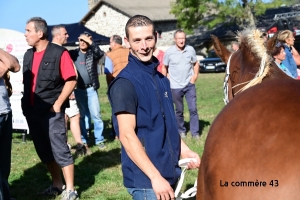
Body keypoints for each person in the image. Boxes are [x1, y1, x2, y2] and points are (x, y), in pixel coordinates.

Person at [108, 15, 200, 200]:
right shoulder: (125, 83)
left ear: (156, 37)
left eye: (148, 38)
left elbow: (166, 126)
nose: (144, 46)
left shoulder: (161, 79)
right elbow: (126, 135)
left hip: (169, 173)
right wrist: (155, 177)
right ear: (127, 42)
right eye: (137, 40)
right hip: (147, 183)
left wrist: (185, 150)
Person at [22, 17, 79, 199]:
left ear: (40, 33)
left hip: (52, 112)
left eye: (28, 31)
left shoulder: (59, 53)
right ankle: (57, 184)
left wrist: (57, 103)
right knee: (44, 150)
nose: (25, 34)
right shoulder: (28, 55)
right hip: (33, 111)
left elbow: (71, 79)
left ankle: (70, 189)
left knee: (59, 148)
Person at [51, 25, 88, 156]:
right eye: (65, 34)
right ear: (57, 35)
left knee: (72, 116)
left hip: (65, 90)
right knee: (65, 118)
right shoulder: (57, 51)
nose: (68, 36)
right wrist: (69, 90)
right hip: (64, 91)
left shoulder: (59, 50)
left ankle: (78, 145)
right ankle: (66, 146)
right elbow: (59, 74)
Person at [69, 32, 106, 149]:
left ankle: (99, 140)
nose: (82, 43)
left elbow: (100, 53)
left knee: (96, 115)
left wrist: (90, 41)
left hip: (91, 89)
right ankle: (84, 140)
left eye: (85, 41)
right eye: (81, 40)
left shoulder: (92, 53)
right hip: (79, 90)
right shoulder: (73, 53)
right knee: (82, 116)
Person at [162, 30, 200, 139]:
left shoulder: (190, 50)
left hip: (189, 84)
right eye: (179, 38)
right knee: (179, 110)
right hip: (175, 86)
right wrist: (165, 80)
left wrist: (194, 76)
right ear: (175, 40)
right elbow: (164, 67)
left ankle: (195, 133)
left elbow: (195, 63)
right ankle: (181, 130)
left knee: (193, 109)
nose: (181, 41)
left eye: (183, 38)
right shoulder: (169, 52)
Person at [0, 49, 20, 200]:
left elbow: (15, 65)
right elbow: (5, 67)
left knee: (4, 162)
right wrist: (5, 64)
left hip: (4, 113)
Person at [104, 35, 129, 140]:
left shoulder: (109, 55)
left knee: (117, 111)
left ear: (114, 43)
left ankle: (117, 134)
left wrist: (110, 86)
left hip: (117, 86)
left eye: (110, 42)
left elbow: (108, 73)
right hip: (130, 84)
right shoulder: (129, 51)